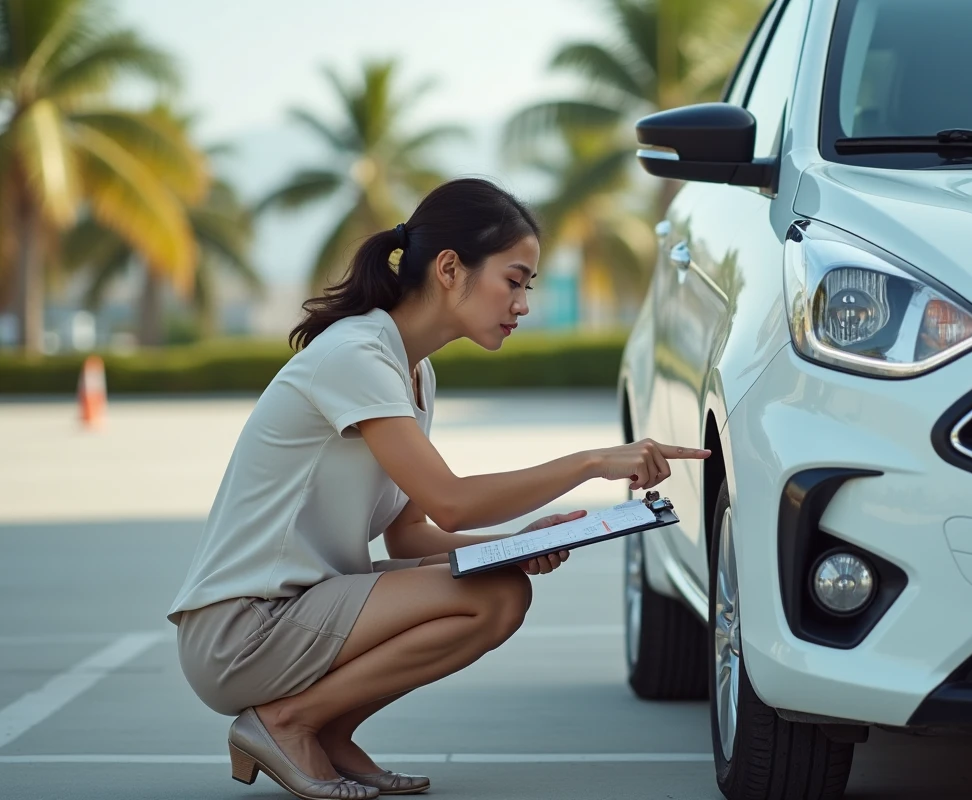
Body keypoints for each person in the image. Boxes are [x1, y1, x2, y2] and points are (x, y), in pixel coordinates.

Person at [166, 177, 710, 800]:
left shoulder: (412, 372)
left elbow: (409, 536)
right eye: (514, 280)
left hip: (302, 610)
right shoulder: (356, 355)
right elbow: (449, 499)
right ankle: (289, 721)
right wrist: (591, 462)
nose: (523, 304)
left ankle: (328, 731)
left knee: (503, 590)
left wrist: (514, 541)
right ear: (450, 268)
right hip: (244, 627)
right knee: (491, 593)